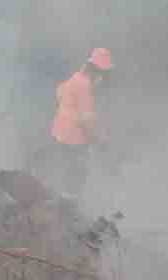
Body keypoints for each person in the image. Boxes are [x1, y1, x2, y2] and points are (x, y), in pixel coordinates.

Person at [49, 47, 113, 199]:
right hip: (73, 137)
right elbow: (87, 120)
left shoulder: (76, 77)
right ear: (97, 71)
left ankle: (63, 195)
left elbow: (59, 93)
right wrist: (99, 140)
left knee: (69, 168)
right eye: (104, 73)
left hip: (60, 132)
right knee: (77, 173)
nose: (103, 78)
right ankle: (68, 202)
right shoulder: (84, 86)